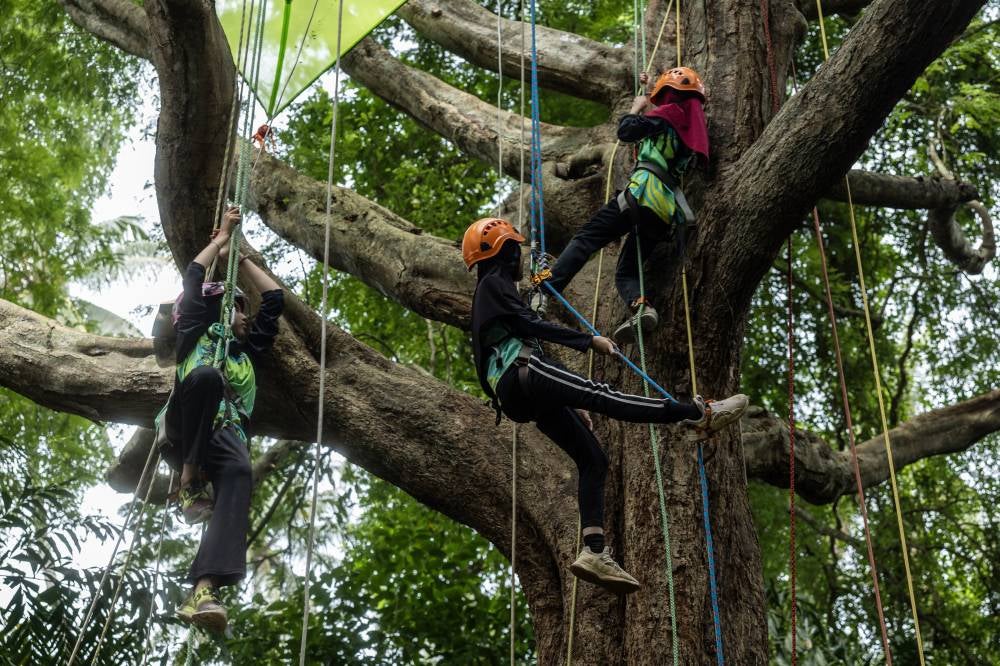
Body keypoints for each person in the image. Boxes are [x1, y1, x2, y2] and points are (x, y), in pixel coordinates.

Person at [463, 217, 747, 594]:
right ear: (506, 252)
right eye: (516, 249)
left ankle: (594, 550)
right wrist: (588, 341)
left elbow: (527, 338)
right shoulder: (493, 285)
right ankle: (695, 414)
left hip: (520, 390)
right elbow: (530, 325)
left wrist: (570, 400)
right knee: (604, 395)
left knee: (593, 459)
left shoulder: (491, 295)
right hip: (523, 373)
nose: (520, 256)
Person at [154, 207, 284, 632]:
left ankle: (203, 590)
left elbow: (275, 300)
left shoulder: (247, 354)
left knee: (240, 473)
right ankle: (189, 481)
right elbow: (194, 276)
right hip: (186, 423)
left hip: (227, 432)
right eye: (239, 310)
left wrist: (240, 258)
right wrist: (221, 239)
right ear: (221, 310)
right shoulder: (195, 331)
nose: (246, 316)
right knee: (208, 376)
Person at [545, 67, 709, 345]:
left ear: (671, 95)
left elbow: (626, 131)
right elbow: (654, 130)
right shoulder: (688, 129)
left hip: (642, 194)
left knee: (587, 238)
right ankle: (642, 307)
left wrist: (636, 107)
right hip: (663, 210)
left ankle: (547, 286)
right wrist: (648, 91)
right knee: (627, 271)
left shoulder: (667, 115)